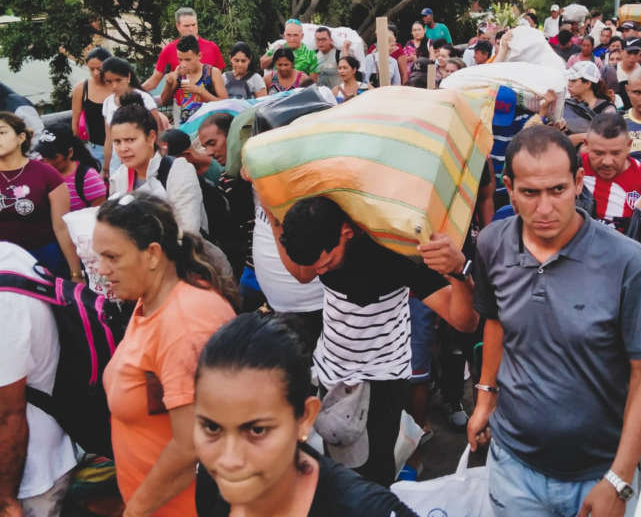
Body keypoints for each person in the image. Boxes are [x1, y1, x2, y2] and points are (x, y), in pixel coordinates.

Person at [467, 126, 641, 517]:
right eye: (530, 193)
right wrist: (484, 398)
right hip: (513, 466)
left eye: (557, 190)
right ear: (509, 188)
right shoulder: (493, 243)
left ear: (578, 183)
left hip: (597, 473)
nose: (544, 208)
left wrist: (618, 479)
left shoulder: (628, 263)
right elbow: (495, 322)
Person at [267, 196, 477, 486]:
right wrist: (272, 212)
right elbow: (304, 274)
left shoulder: (394, 254)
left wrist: (459, 272)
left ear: (346, 232)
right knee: (336, 457)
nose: (321, 272)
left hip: (382, 379)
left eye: (327, 262)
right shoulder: (315, 240)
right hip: (331, 366)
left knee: (371, 473)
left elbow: (465, 321)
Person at [193, 312, 417, 517]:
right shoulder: (212, 477)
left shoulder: (365, 509)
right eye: (212, 428)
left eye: (257, 430)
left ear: (305, 418)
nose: (229, 460)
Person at [96, 192, 237, 517]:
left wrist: (136, 510)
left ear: (153, 254)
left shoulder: (185, 322)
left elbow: (190, 445)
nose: (103, 269)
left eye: (112, 257)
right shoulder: (151, 299)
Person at [0, 242, 78, 517]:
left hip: (28, 478)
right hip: (42, 450)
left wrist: (6, 499)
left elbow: (9, 413)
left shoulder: (4, 303)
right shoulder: (11, 253)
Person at [108, 94, 206, 236]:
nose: (123, 148)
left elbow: (188, 231)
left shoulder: (179, 171)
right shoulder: (119, 178)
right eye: (117, 142)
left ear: (151, 137)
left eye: (130, 140)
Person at [0, 112, 82, 279]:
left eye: (2, 132)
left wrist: (76, 273)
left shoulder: (45, 173)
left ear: (21, 137)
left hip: (45, 260)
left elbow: (62, 228)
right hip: (5, 264)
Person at [197, 113, 258, 293]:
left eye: (212, 143)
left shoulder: (256, 173)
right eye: (204, 146)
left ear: (232, 137)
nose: (208, 152)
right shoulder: (226, 180)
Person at [581, 113, 641, 233]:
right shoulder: (571, 167)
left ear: (629, 146)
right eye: (599, 153)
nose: (607, 162)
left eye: (615, 153)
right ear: (586, 144)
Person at [101, 56, 163, 177]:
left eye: (118, 80)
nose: (114, 86)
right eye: (109, 82)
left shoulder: (144, 98)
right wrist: (106, 168)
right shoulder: (108, 102)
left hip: (144, 161)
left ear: (128, 77)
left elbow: (158, 131)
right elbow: (108, 139)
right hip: (118, 162)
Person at [141, 7, 226, 92]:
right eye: (187, 26)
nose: (191, 29)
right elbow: (153, 81)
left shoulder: (212, 47)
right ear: (178, 26)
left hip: (209, 102)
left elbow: (219, 81)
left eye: (194, 25)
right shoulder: (168, 50)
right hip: (181, 102)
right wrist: (132, 93)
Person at [35, 123, 107, 211]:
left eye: (52, 156)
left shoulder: (88, 179)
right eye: (43, 154)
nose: (46, 161)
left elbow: (100, 217)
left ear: (70, 152)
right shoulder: (37, 168)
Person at [160, 35, 228, 123]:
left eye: (188, 60)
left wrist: (199, 91)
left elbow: (225, 104)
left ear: (199, 56)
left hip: (209, 124)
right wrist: (168, 84)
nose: (183, 64)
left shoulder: (212, 72)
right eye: (180, 59)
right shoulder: (179, 72)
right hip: (187, 125)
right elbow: (164, 101)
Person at [71, 46, 113, 164]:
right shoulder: (81, 88)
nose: (95, 73)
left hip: (120, 145)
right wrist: (79, 150)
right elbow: (75, 122)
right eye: (91, 69)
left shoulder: (117, 84)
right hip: (96, 148)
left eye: (99, 69)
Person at [563, 62, 617, 136]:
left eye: (573, 81)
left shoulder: (607, 109)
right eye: (569, 80)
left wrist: (575, 138)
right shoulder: (567, 105)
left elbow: (607, 137)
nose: (569, 84)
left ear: (588, 83)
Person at [158, 129, 224, 187]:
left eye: (172, 161)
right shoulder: (181, 179)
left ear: (186, 154)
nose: (170, 165)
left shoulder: (222, 168)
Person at [601, 38, 641, 111]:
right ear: (622, 52)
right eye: (629, 53)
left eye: (635, 53)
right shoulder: (611, 71)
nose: (632, 57)